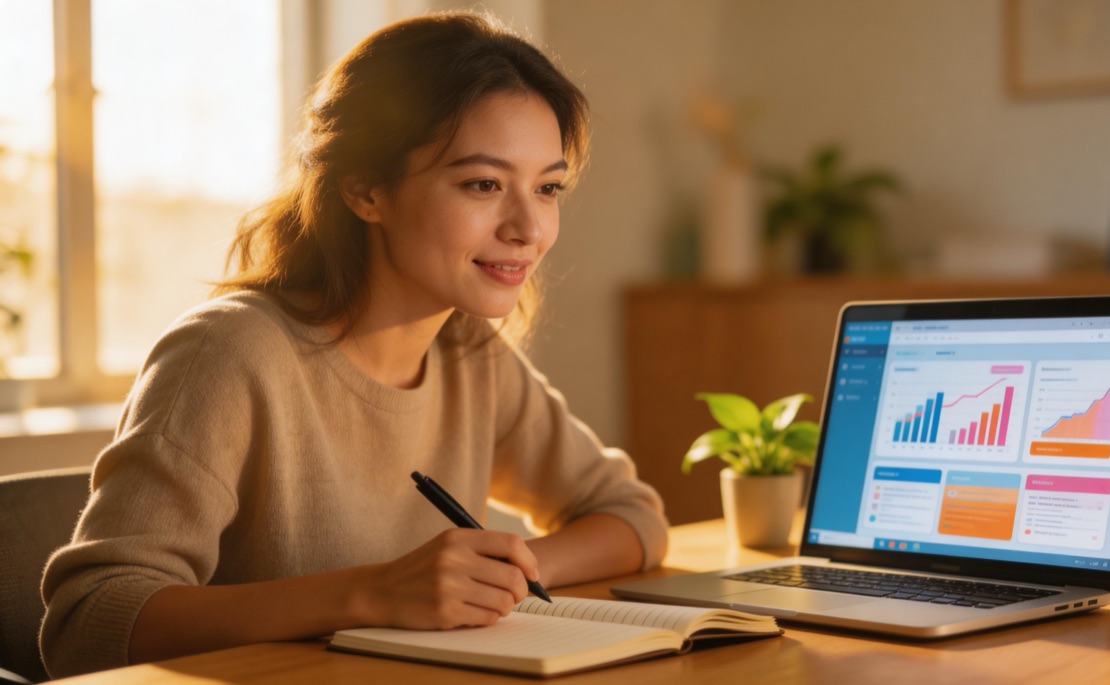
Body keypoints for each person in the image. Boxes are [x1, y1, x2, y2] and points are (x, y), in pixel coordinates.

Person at [40, 11, 668, 678]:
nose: (529, 227)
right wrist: (373, 592)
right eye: (483, 184)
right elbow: (90, 618)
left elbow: (633, 517)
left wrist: (504, 573)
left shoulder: (468, 352)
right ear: (366, 189)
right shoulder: (229, 353)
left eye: (547, 188)